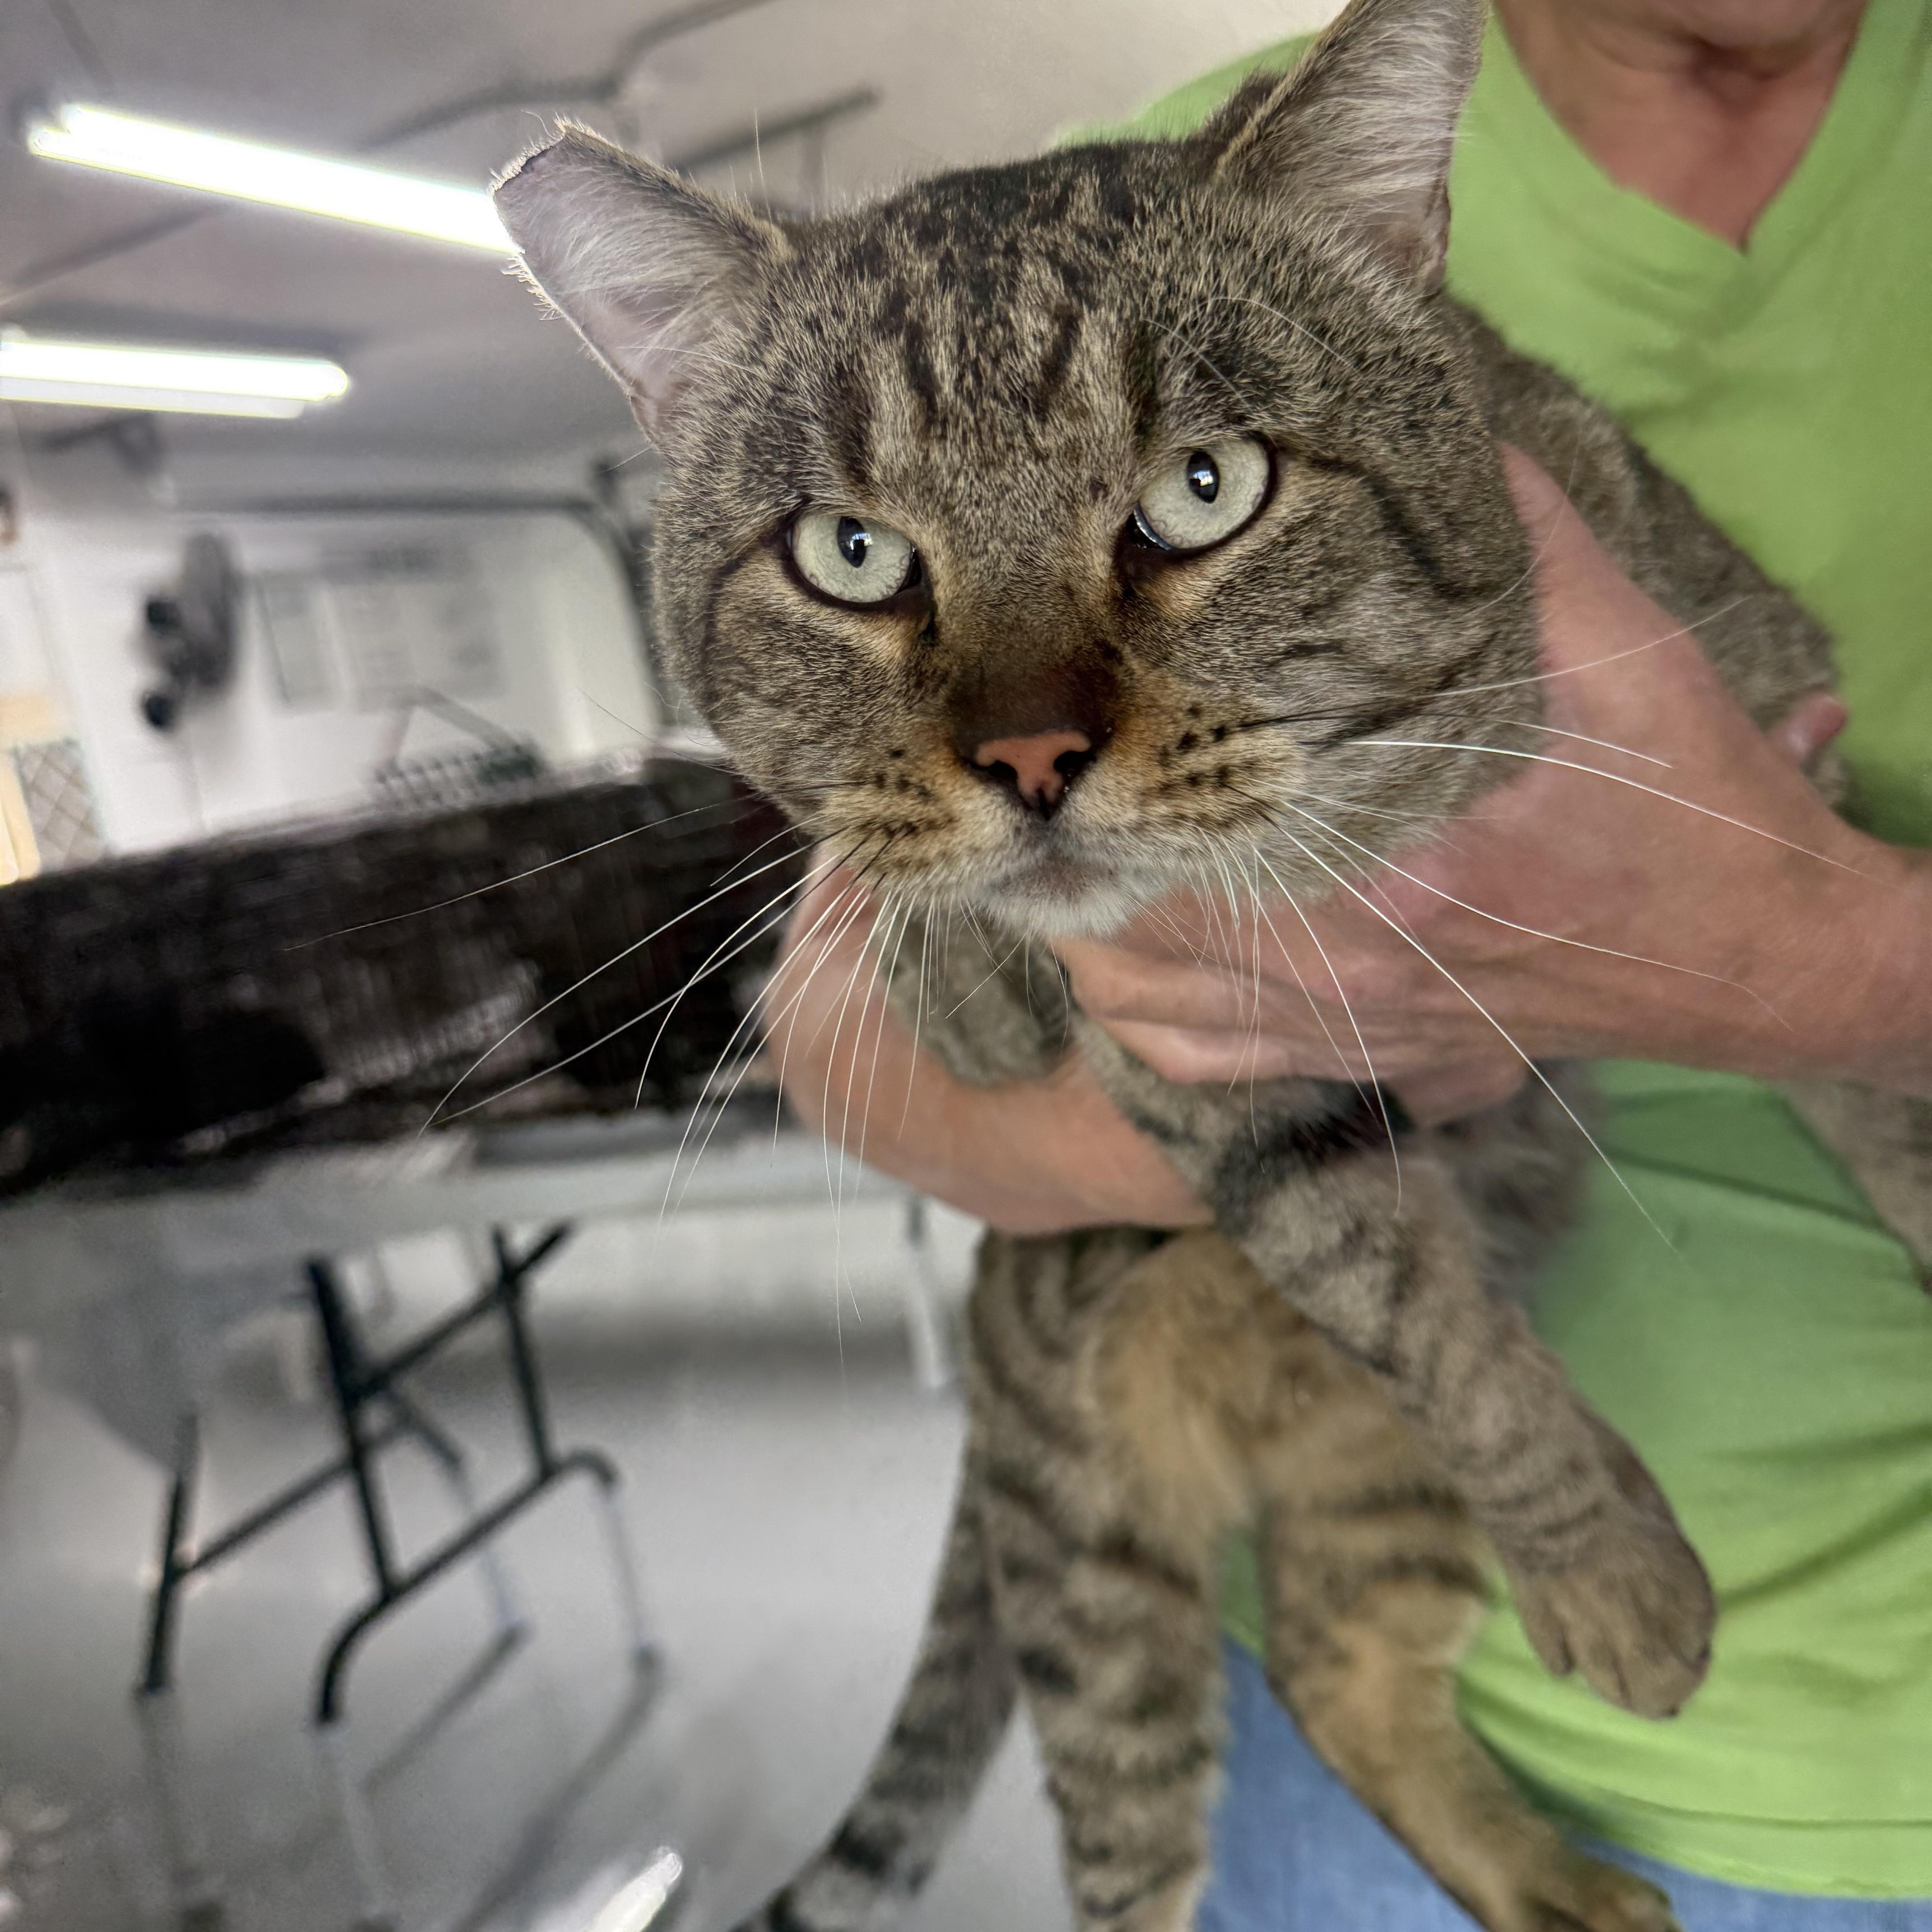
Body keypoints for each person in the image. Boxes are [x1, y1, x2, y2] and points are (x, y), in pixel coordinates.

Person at [764, 0, 1932, 1922]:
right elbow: (853, 1023)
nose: (1034, 725)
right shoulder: (1138, 207)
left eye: (1189, 494)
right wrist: (1226, 1088)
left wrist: (1813, 961)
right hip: (1375, 1676)